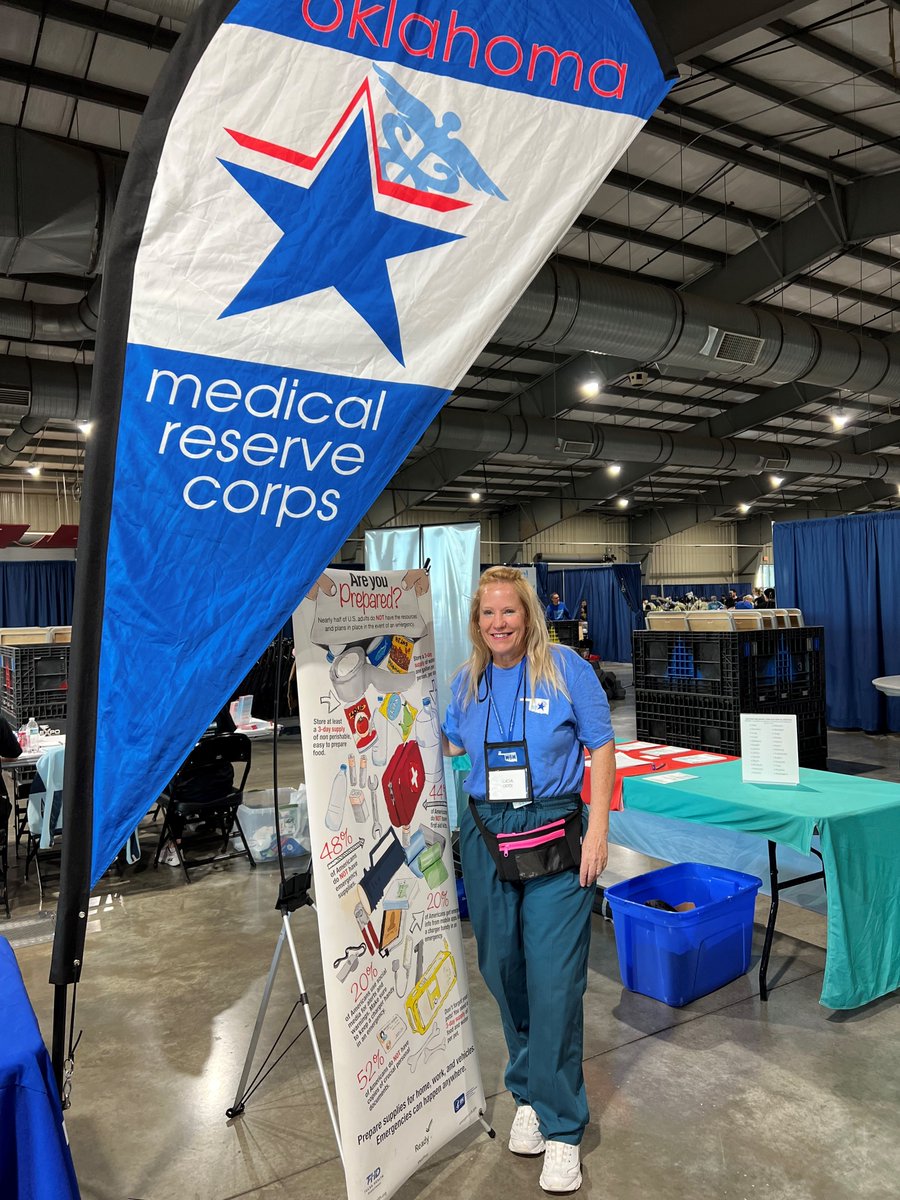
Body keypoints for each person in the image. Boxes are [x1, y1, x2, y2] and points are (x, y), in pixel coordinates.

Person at [442, 567, 614, 1194]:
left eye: (508, 611)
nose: (498, 623)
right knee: (503, 970)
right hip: (487, 832)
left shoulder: (565, 669)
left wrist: (598, 830)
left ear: (528, 614)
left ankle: (563, 1127)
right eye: (487, 614)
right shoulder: (466, 681)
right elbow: (450, 745)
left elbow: (601, 747)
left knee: (554, 980)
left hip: (556, 833)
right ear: (476, 623)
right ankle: (528, 1095)